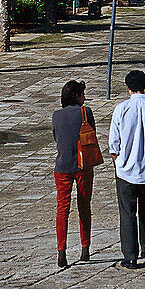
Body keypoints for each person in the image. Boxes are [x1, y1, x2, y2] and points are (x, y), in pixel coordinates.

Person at [109, 70, 145, 270]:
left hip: (126, 170)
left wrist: (118, 163)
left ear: (128, 87)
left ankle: (130, 254)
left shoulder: (121, 109)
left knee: (127, 213)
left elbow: (113, 144)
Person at [52, 79, 96, 269]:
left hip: (62, 166)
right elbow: (92, 133)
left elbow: (56, 138)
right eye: (82, 94)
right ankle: (85, 248)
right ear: (77, 96)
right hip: (83, 165)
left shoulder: (56, 115)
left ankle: (61, 251)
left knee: (63, 209)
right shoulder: (85, 112)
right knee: (84, 206)